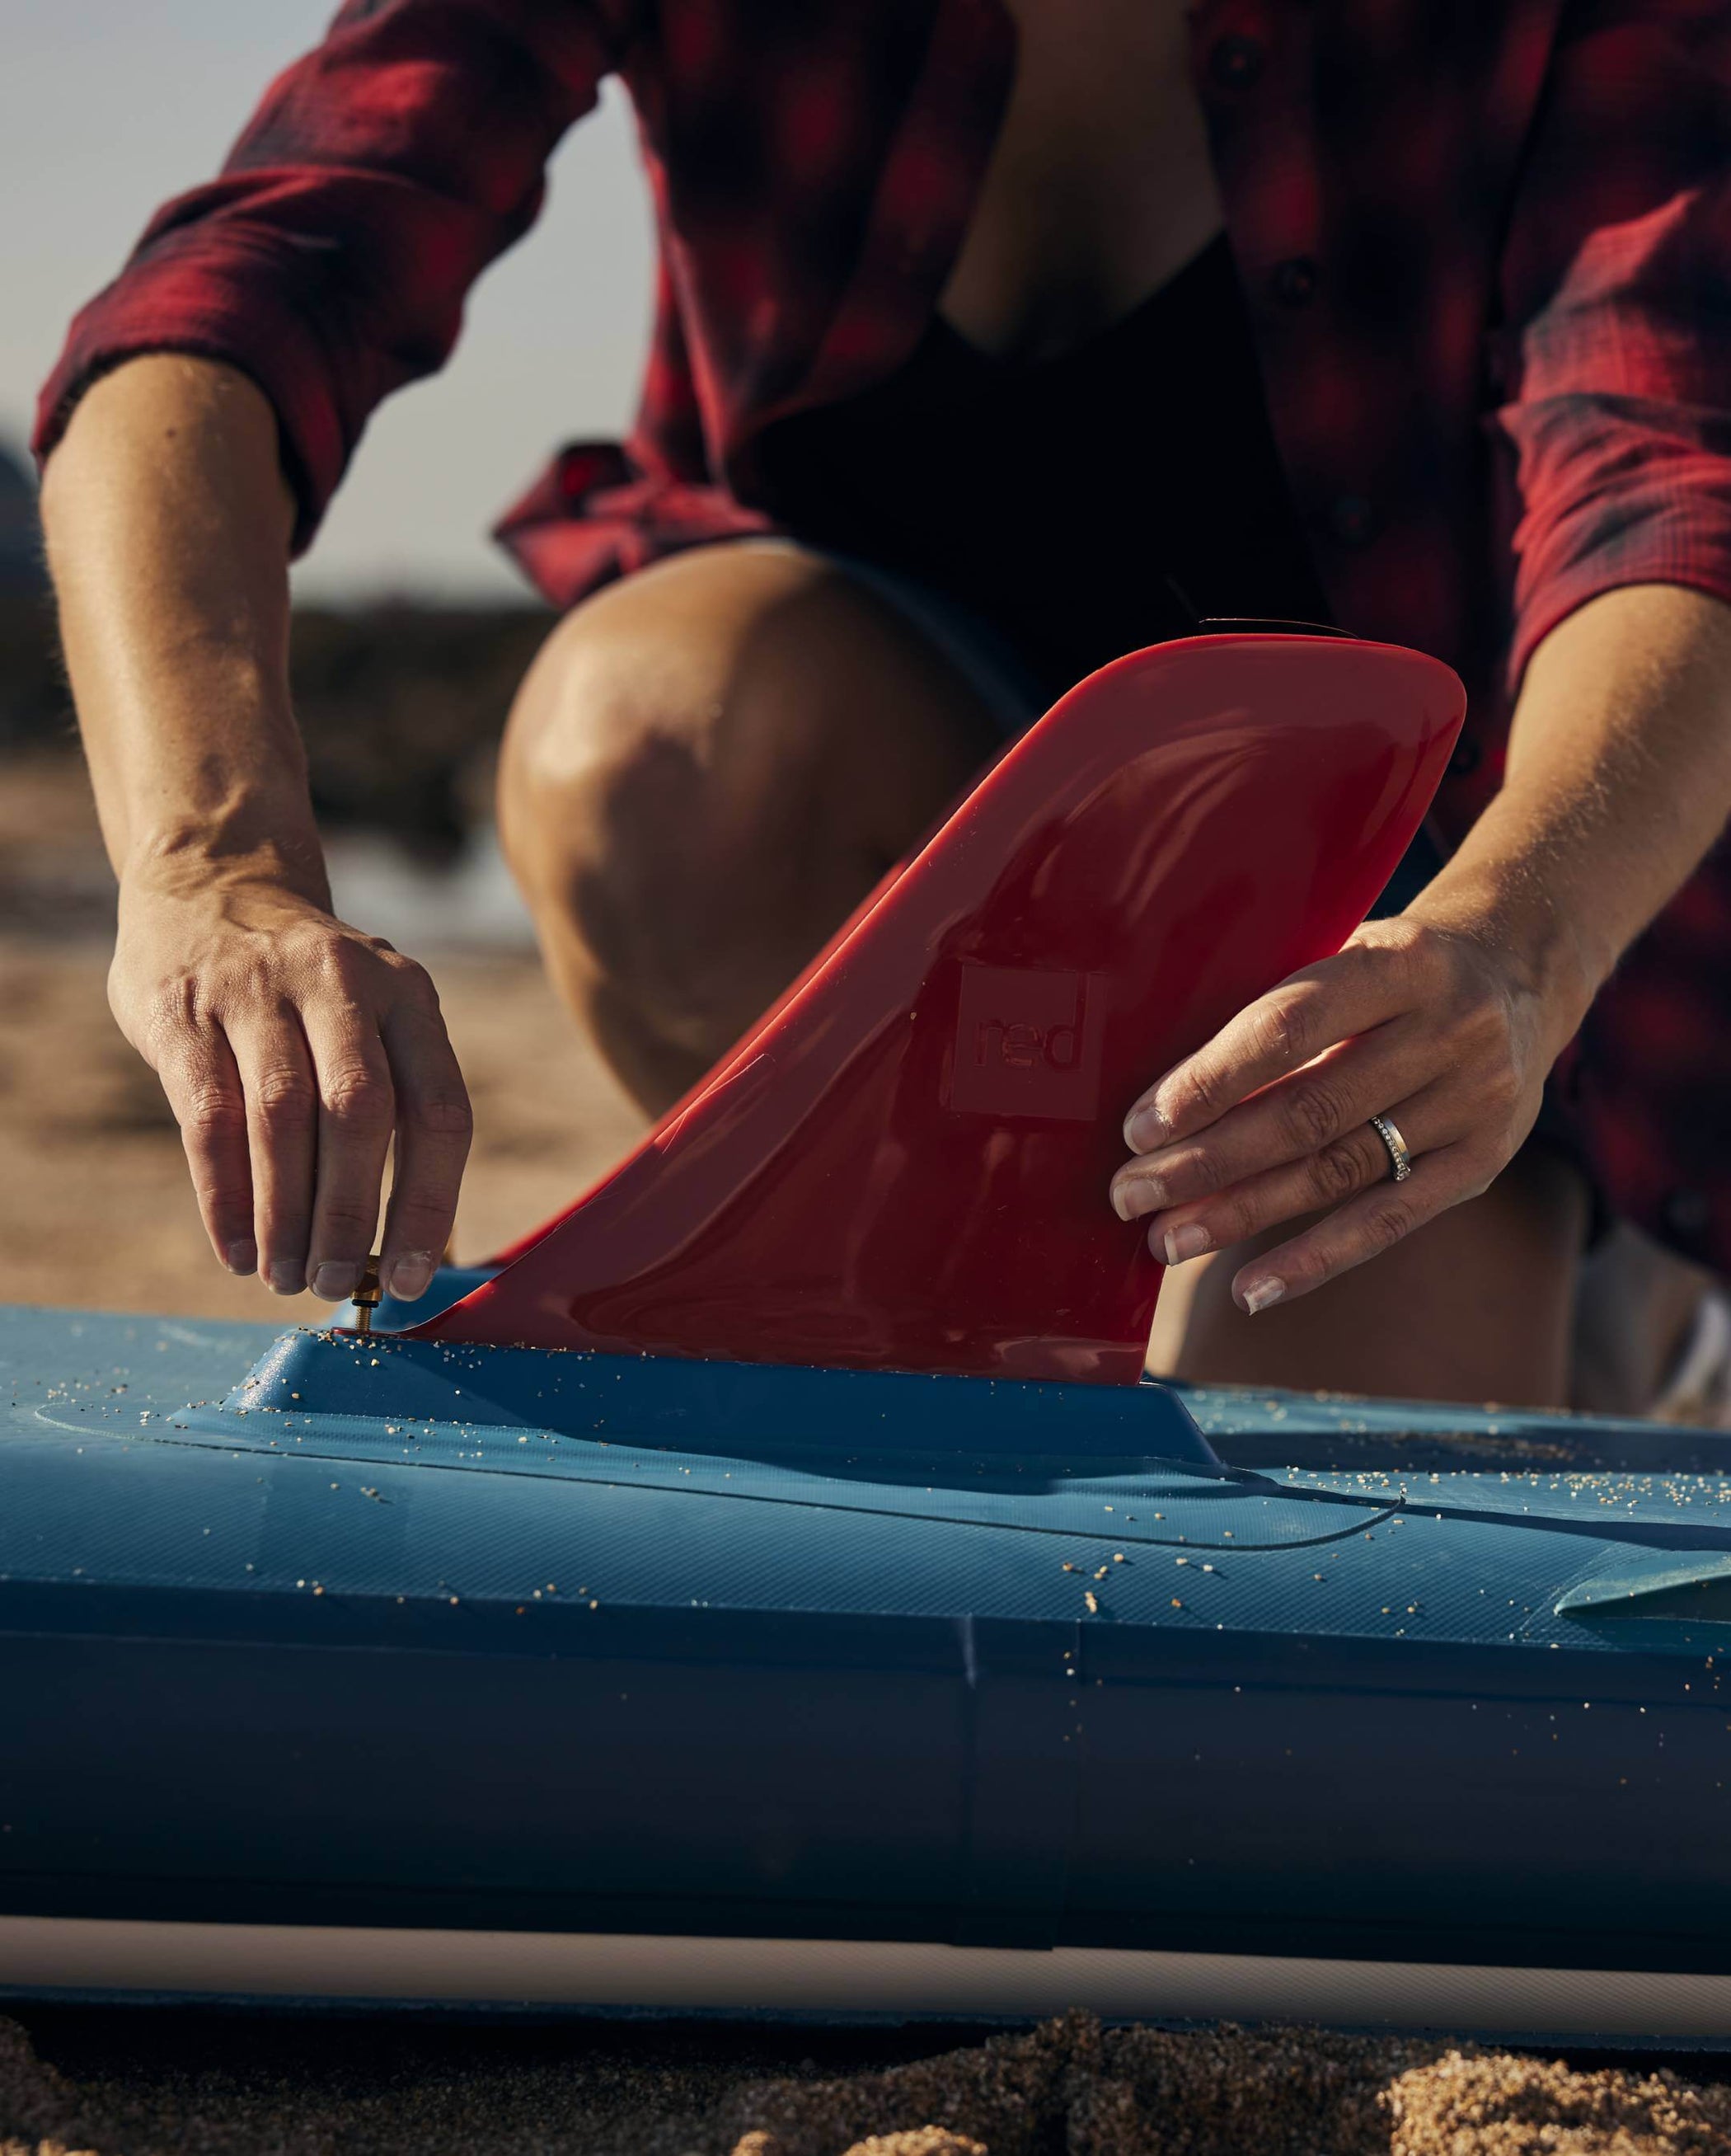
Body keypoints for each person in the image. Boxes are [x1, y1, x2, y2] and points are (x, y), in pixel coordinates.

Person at [34, 0, 1731, 1411]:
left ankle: (1608, 1293)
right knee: (652, 738)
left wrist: (1518, 954)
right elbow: (238, 298)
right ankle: (895, 1308)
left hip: (1403, 920)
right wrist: (210, 869)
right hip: (870, 831)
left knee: (1344, 1556)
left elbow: (1667, 484)